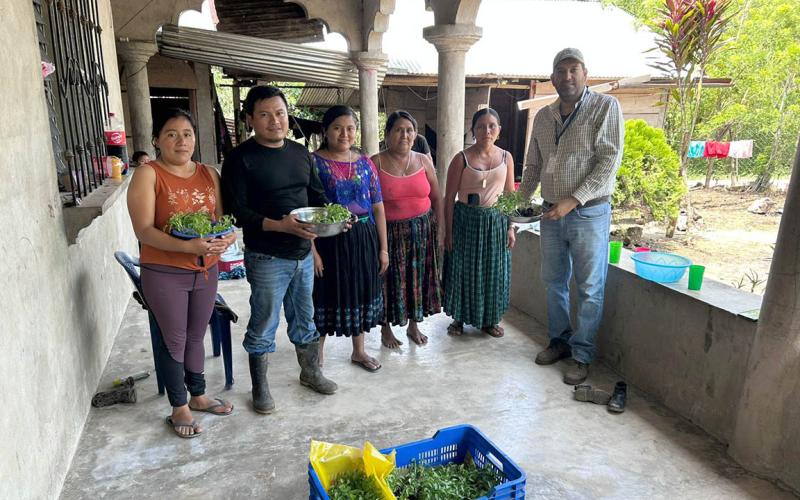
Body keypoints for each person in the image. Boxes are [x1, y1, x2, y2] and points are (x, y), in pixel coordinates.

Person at [221, 85, 337, 415]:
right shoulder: (240, 159)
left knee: (305, 317)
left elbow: (315, 199)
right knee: (264, 321)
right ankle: (260, 387)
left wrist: (334, 221)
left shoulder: (301, 154)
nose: (275, 121)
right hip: (266, 256)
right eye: (265, 114)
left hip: (301, 253)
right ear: (249, 120)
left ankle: (311, 373)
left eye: (281, 113)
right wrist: (280, 225)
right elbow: (238, 213)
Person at [127, 108, 237, 438]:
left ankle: (199, 395)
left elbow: (220, 220)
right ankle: (179, 407)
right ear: (157, 140)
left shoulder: (209, 173)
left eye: (187, 134)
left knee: (195, 334)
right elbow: (144, 230)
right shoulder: (148, 174)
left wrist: (227, 237)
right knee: (173, 339)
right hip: (164, 270)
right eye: (172, 134)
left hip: (205, 270)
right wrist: (190, 248)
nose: (181, 140)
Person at [518, 48, 624, 385]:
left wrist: (573, 200)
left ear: (585, 74)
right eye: (560, 71)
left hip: (589, 212)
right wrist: (517, 206)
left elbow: (609, 161)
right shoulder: (545, 117)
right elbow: (533, 165)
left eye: (573, 70)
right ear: (552, 78)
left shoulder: (605, 108)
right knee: (553, 281)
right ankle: (559, 341)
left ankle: (582, 355)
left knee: (590, 286)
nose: (567, 77)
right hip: (551, 212)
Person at [312, 105, 388, 372]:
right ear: (325, 131)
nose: (345, 134)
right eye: (337, 127)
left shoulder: (365, 163)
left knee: (360, 290)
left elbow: (378, 206)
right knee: (324, 293)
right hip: (328, 240)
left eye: (350, 128)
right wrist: (313, 252)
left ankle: (359, 351)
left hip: (364, 237)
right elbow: (304, 210)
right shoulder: (314, 163)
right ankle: (316, 355)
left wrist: (384, 249)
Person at [371, 110, 444, 348]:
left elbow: (436, 196)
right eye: (399, 130)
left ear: (415, 134)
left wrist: (441, 227)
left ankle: (414, 325)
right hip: (388, 233)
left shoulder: (423, 160)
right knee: (388, 281)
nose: (405, 135)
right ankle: (385, 329)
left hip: (422, 231)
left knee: (417, 279)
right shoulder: (375, 162)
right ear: (387, 134)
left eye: (409, 130)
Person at [442, 107, 516, 339]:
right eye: (481, 126)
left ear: (499, 130)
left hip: (495, 222)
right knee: (464, 270)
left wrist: (511, 227)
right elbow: (448, 198)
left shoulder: (506, 157)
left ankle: (490, 320)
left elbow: (509, 197)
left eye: (492, 126)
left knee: (493, 272)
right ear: (473, 131)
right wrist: (448, 232)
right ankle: (459, 318)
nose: (487, 130)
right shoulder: (461, 158)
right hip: (466, 220)